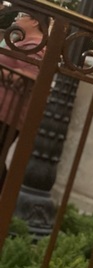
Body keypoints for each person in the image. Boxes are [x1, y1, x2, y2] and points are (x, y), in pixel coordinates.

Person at [0, 10, 49, 187]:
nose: (16, 18)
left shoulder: (37, 47)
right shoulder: (23, 42)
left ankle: (7, 196)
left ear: (35, 21)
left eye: (22, 15)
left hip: (9, 114)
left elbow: (30, 78)